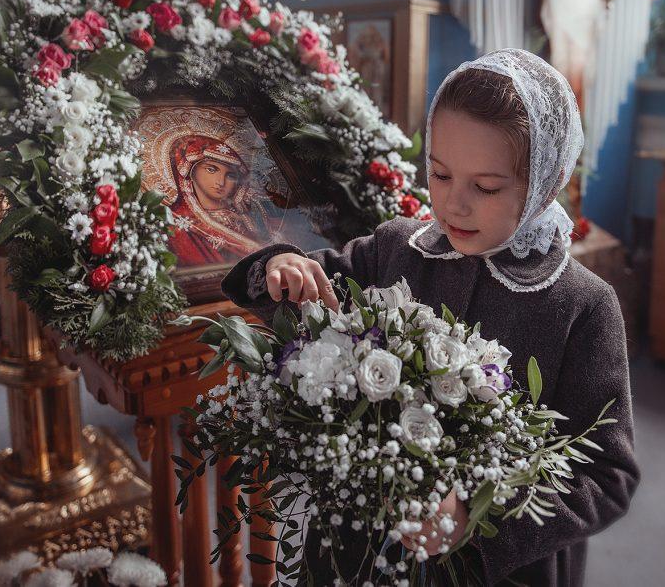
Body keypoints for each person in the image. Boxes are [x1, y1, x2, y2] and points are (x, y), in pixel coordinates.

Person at [220, 49, 640, 585]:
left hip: (497, 571)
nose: (454, 205)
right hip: (362, 545)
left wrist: (479, 514)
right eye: (439, 174)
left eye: (485, 187)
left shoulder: (582, 306)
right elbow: (304, 286)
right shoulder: (399, 248)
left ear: (548, 182)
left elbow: (606, 475)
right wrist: (282, 265)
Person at [166, 135, 276, 266]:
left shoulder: (250, 217)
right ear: (190, 169)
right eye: (211, 169)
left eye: (230, 175)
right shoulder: (175, 221)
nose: (221, 182)